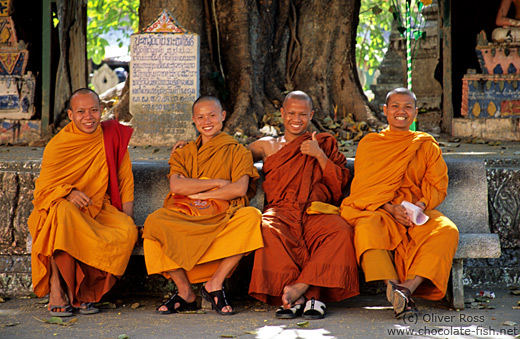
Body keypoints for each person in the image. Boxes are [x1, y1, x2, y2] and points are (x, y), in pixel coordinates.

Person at [340, 88, 459, 318]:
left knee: (447, 231)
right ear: (385, 111)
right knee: (366, 228)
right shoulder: (370, 143)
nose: (401, 111)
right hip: (382, 209)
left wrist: (419, 207)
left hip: (417, 211)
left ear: (415, 112)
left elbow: (437, 185)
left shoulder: (425, 144)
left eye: (407, 107)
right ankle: (392, 286)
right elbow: (363, 190)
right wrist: (390, 208)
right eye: (395, 106)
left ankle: (407, 289)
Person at [143, 96, 263, 316]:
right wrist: (216, 183)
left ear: (223, 116)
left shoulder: (238, 151)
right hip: (187, 215)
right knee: (153, 224)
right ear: (193, 120)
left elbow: (239, 189)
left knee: (252, 217)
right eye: (200, 117)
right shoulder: (184, 151)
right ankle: (185, 291)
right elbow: (177, 186)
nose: (207, 121)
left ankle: (215, 284)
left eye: (212, 115)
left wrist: (199, 192)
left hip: (222, 217)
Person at [248, 90, 359, 320]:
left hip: (315, 209)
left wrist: (319, 156)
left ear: (311, 115)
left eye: (302, 114)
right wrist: (190, 149)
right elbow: (233, 156)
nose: (296, 119)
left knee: (341, 232)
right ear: (281, 113)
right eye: (291, 113)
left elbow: (339, 183)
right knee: (267, 229)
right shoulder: (268, 145)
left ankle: (300, 290)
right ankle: (307, 299)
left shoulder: (323, 143)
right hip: (282, 211)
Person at [28, 88, 138, 317]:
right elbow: (43, 192)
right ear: (70, 115)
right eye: (81, 112)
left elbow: (125, 180)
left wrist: (128, 216)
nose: (88, 117)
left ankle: (84, 293)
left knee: (126, 230)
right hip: (62, 208)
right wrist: (68, 193)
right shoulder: (58, 145)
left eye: (94, 110)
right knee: (62, 215)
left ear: (102, 111)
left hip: (98, 206)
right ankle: (58, 288)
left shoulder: (112, 135)